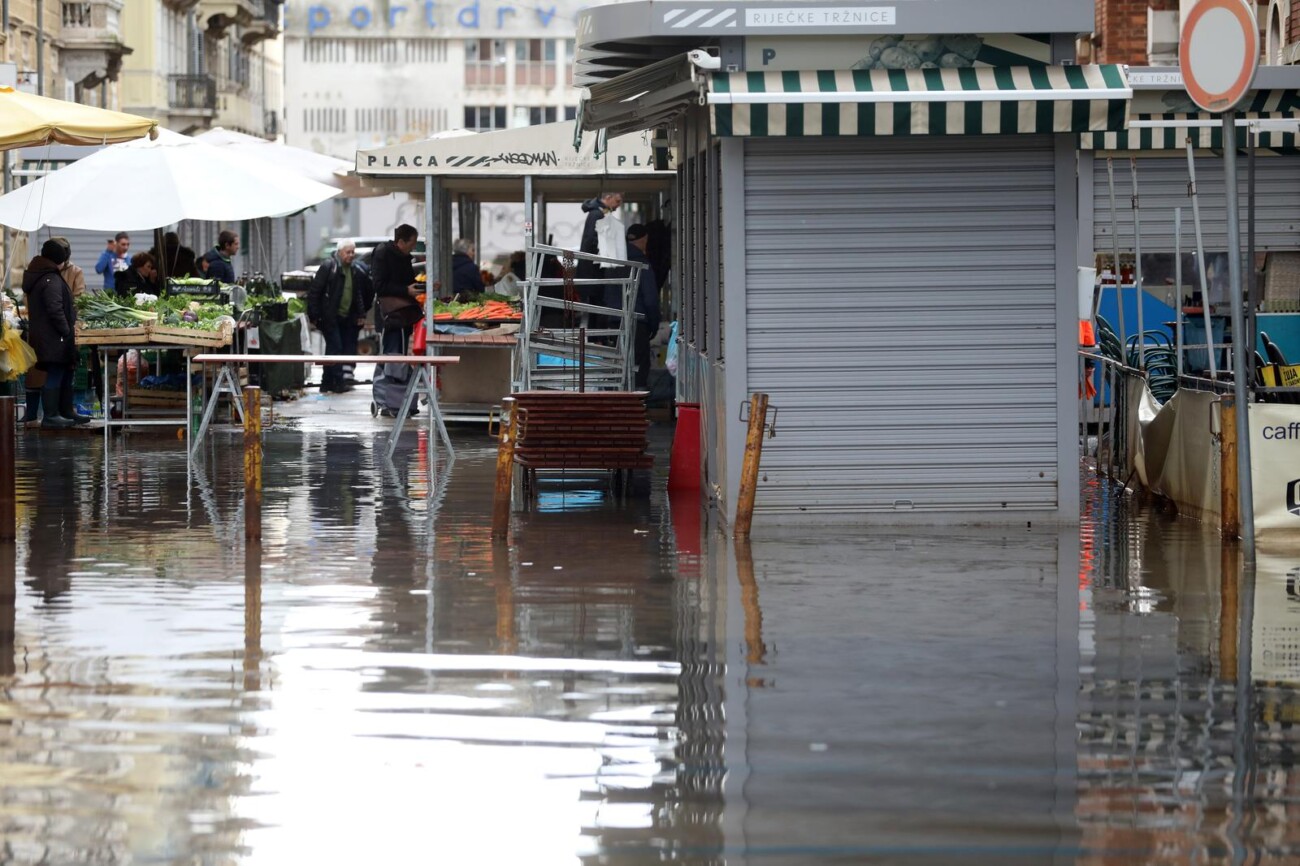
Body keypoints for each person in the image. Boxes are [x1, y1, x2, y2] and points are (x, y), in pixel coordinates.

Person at [25, 239, 89, 428]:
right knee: (55, 371)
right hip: (53, 336)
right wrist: (66, 330)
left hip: (51, 335)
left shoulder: (43, 274)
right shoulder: (49, 278)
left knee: (65, 371)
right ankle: (51, 415)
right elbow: (55, 309)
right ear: (58, 259)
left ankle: (65, 411)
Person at [308, 241, 372, 394]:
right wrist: (314, 315)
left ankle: (326, 382)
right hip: (328, 316)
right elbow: (315, 291)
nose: (351, 255)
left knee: (334, 349)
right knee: (335, 347)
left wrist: (361, 314)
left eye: (352, 252)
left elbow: (357, 294)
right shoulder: (329, 267)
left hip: (345, 316)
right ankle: (337, 381)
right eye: (347, 252)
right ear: (339, 252)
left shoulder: (354, 270)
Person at [611, 224, 661, 390]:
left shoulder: (613, 261)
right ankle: (636, 406)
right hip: (636, 322)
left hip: (613, 322)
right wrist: (653, 325)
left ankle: (615, 402)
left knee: (617, 366)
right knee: (638, 368)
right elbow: (651, 300)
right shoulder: (642, 264)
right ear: (645, 239)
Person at [369, 224, 422, 356]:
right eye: (412, 243)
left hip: (403, 315)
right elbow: (379, 285)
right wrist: (405, 290)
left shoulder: (404, 257)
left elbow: (410, 282)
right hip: (391, 316)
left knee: (401, 351)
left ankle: (398, 376)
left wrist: (427, 286)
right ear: (401, 242)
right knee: (392, 352)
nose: (414, 247)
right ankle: (390, 376)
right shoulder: (383, 253)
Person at [577, 192, 624, 304]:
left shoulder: (599, 213)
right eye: (617, 201)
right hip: (593, 270)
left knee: (595, 307)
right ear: (608, 197)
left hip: (593, 269)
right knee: (596, 306)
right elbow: (592, 241)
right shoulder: (597, 214)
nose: (618, 206)